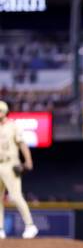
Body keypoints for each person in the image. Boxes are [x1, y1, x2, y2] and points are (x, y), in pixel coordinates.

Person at [0, 100, 38, 239]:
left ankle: (30, 226)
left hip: (10, 164)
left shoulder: (13, 126)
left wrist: (28, 160)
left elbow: (22, 144)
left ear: (4, 112)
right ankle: (0, 229)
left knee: (15, 196)